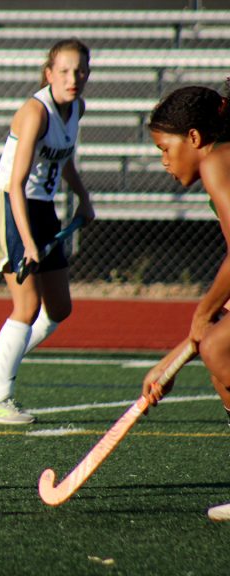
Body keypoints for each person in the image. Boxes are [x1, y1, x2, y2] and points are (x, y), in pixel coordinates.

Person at [0, 39, 96, 424]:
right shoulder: (34, 112)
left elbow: (64, 159)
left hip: (41, 208)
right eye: (66, 71)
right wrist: (28, 243)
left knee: (59, 309)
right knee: (27, 306)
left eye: (81, 71)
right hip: (11, 207)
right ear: (49, 73)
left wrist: (83, 199)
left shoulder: (76, 109)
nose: (74, 78)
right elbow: (16, 182)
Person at [139, 82, 230, 521]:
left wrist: (203, 311)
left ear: (193, 138)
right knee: (216, 347)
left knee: (218, 346)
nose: (163, 160)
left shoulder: (216, 163)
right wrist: (175, 357)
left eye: (164, 147)